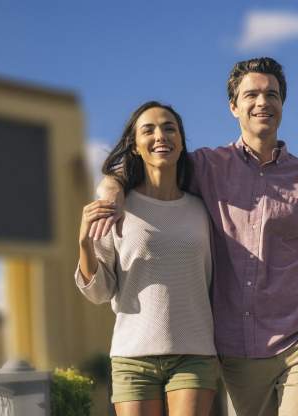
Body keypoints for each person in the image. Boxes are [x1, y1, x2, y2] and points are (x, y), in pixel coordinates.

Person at [93, 57, 298, 416]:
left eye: (271, 94)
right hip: (238, 350)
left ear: (282, 104)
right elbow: (148, 163)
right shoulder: (205, 167)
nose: (262, 102)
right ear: (233, 106)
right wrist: (110, 189)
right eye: (251, 95)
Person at [75, 101, 218, 416]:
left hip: (194, 354)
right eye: (148, 129)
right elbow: (99, 292)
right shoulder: (116, 207)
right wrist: (84, 243)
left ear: (181, 141)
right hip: (132, 357)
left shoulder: (203, 209)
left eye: (169, 128)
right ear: (136, 146)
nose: (160, 136)